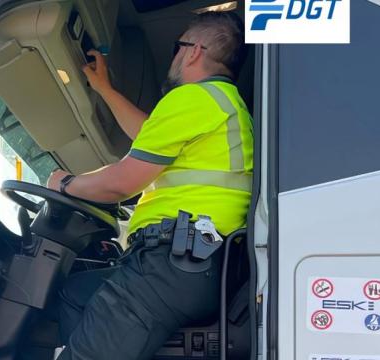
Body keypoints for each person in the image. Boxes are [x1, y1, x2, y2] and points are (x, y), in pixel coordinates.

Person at [46, 11, 253, 360]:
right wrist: (105, 89)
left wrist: (64, 183)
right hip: (196, 265)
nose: (175, 56)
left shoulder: (195, 97)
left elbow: (122, 183)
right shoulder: (224, 106)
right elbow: (148, 136)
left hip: (170, 264)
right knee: (77, 293)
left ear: (194, 51)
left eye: (178, 47)